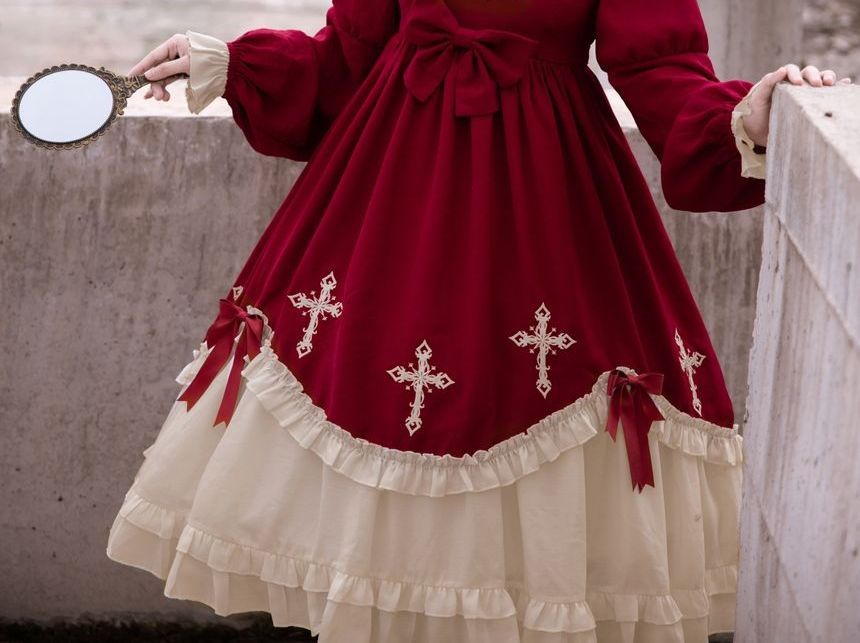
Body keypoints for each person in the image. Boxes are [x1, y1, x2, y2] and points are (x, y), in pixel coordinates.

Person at [106, 1, 852, 641]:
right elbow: (347, 60)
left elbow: (662, 74)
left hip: (541, 213)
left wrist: (744, 118)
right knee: (373, 464)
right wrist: (233, 66)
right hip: (389, 209)